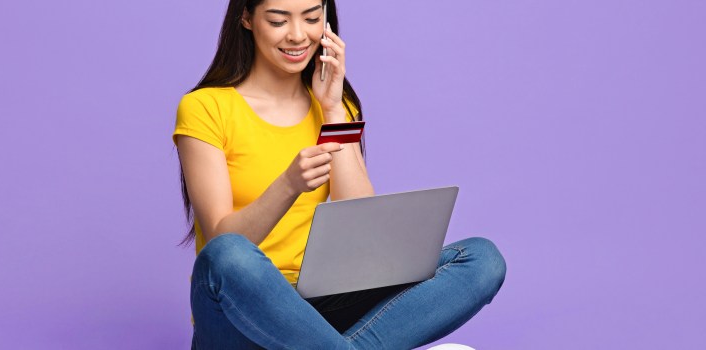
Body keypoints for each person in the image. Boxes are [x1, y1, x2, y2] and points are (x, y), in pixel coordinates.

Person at [172, 1, 507, 348]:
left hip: (319, 308)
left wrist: (332, 108)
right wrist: (288, 185)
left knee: (482, 259)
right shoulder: (204, 108)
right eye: (278, 20)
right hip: (238, 312)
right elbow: (220, 242)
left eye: (313, 18)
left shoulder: (335, 105)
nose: (299, 35)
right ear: (246, 18)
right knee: (226, 254)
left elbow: (361, 225)